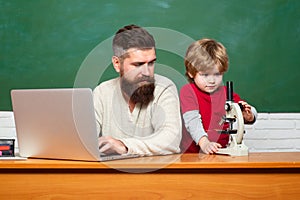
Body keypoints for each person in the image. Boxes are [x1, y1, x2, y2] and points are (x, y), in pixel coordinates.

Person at [93, 24, 182, 156]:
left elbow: (170, 140)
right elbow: (83, 140)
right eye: (138, 64)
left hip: (155, 175)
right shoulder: (102, 92)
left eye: (151, 63)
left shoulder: (165, 88)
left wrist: (124, 146)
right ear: (117, 64)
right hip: (109, 174)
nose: (147, 72)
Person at [180, 38, 257, 154]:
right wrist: (204, 143)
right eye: (205, 75)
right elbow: (192, 121)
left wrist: (249, 115)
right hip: (191, 156)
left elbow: (246, 110)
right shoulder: (188, 92)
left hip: (220, 153)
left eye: (217, 74)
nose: (212, 80)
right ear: (191, 73)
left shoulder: (226, 93)